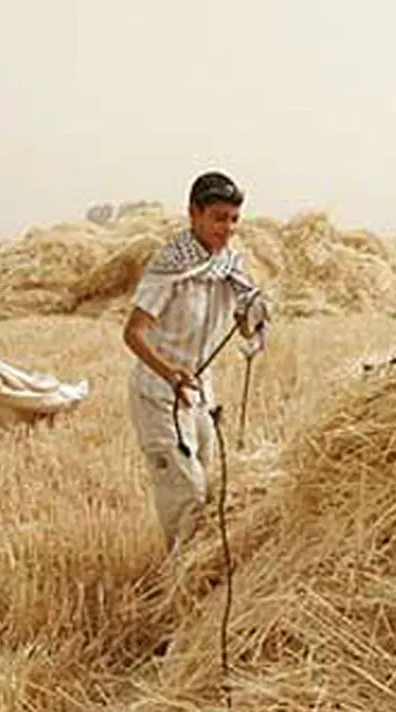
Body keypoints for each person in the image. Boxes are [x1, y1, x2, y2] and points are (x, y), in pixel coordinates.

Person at [123, 172, 269, 551]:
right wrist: (169, 373)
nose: (228, 228)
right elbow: (133, 333)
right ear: (194, 214)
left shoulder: (230, 268)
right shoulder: (170, 267)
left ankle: (193, 580)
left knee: (206, 492)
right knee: (185, 496)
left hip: (200, 396)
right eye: (219, 218)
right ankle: (177, 584)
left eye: (234, 219)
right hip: (159, 394)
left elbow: (244, 327)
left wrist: (252, 322)